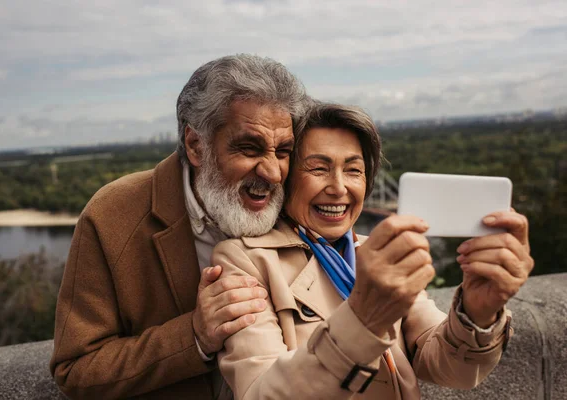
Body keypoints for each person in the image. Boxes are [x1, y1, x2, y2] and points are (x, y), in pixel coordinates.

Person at [213, 102, 535, 399]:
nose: (339, 187)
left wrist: (477, 312)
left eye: (353, 170)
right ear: (286, 179)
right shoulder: (245, 261)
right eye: (318, 169)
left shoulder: (374, 251)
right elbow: (262, 393)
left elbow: (449, 368)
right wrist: (362, 320)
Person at [49, 54, 309, 399]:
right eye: (249, 148)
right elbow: (76, 370)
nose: (273, 173)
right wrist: (194, 336)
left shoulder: (299, 202)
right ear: (195, 144)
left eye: (283, 151)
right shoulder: (113, 215)